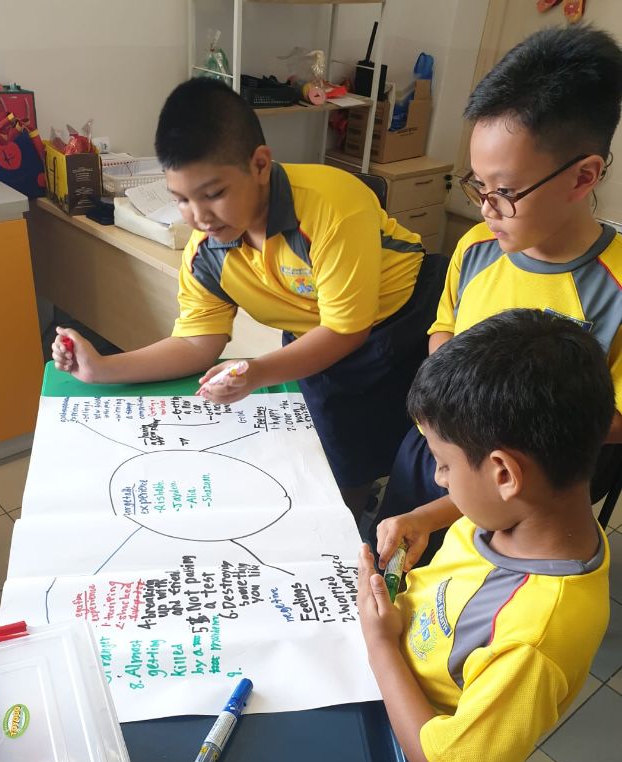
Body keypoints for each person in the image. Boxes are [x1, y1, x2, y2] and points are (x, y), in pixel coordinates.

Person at [52, 78, 447, 518]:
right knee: (334, 462)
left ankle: (376, 523)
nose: (199, 217)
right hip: (317, 337)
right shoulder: (206, 252)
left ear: (260, 164)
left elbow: (346, 330)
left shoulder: (332, 205)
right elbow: (197, 343)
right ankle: (352, 512)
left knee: (427, 454)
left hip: (409, 319)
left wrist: (256, 372)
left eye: (214, 194)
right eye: (181, 200)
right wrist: (103, 368)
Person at [373, 25, 622, 571]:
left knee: (466, 599)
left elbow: (610, 419)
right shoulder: (477, 247)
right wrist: (450, 429)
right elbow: (444, 330)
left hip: (523, 492)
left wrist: (489, 430)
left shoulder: (614, 285)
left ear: (583, 177)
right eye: (478, 185)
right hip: (436, 452)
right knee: (395, 562)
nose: (485, 208)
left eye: (505, 192)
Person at [357, 310, 613, 762]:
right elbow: (493, 497)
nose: (438, 478)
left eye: (444, 464)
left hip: (409, 755)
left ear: (503, 473)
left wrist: (380, 644)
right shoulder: (539, 514)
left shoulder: (533, 640)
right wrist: (425, 516)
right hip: (389, 671)